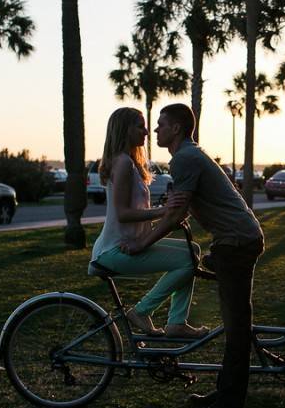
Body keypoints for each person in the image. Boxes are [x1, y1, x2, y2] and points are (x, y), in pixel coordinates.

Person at [121, 103, 264, 408]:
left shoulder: (185, 158)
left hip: (236, 244)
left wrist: (141, 243)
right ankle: (225, 393)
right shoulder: (187, 156)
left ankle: (229, 407)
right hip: (235, 241)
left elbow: (174, 215)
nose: (155, 130)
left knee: (237, 329)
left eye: (160, 124)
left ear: (176, 129)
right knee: (234, 326)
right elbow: (181, 209)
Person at [89, 107, 208, 339]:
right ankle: (143, 311)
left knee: (192, 251)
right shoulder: (123, 163)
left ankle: (176, 323)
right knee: (187, 260)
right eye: (140, 126)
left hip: (124, 244)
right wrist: (165, 211)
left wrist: (168, 216)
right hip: (115, 250)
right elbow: (123, 214)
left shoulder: (130, 163)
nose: (147, 131)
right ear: (125, 129)